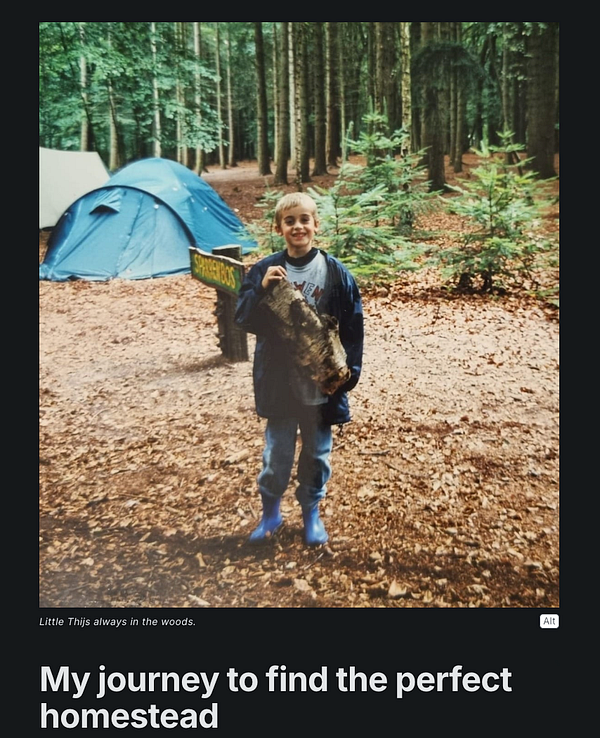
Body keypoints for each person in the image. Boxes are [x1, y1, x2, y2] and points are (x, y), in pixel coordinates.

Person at [234, 192, 364, 546]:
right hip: (280, 384)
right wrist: (260, 291)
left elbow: (352, 326)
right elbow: (243, 318)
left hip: (321, 389)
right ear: (279, 228)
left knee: (317, 455)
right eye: (290, 221)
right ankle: (270, 514)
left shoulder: (335, 273)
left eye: (305, 219)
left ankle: (311, 513)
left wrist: (346, 376)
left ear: (316, 224)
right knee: (276, 455)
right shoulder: (265, 270)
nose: (298, 226)